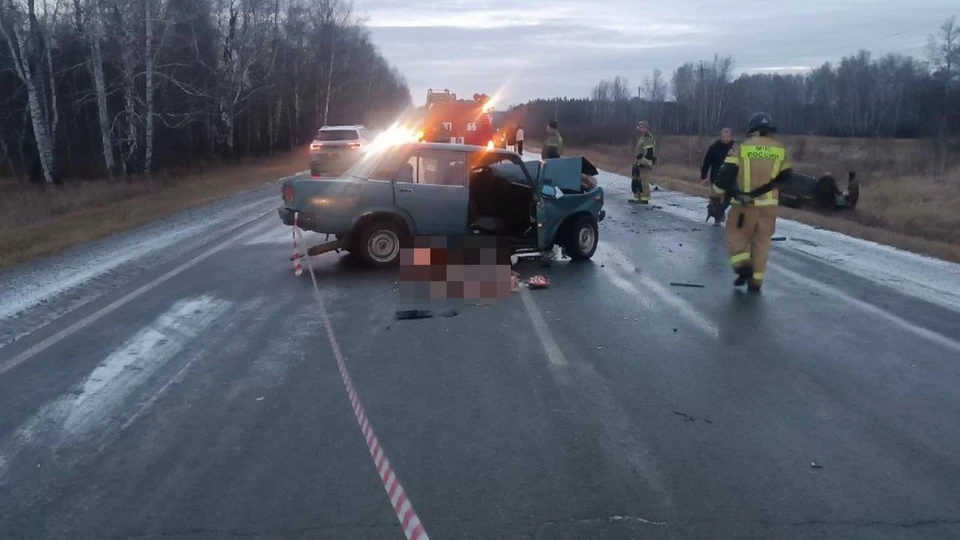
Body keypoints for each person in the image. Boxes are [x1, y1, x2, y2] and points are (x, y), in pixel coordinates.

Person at [714, 112, 793, 292]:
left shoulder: (742, 147)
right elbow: (787, 176)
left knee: (735, 239)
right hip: (769, 207)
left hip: (744, 206)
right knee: (762, 243)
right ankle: (756, 281)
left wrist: (715, 195)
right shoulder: (780, 149)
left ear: (752, 127)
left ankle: (744, 267)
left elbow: (725, 174)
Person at [701, 127, 736, 226]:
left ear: (730, 136)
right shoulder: (714, 147)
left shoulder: (735, 147)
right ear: (721, 136)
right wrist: (704, 176)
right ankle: (717, 219)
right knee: (715, 199)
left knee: (728, 199)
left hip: (731, 178)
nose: (725, 139)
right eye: (724, 137)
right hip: (716, 177)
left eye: (727, 137)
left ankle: (721, 213)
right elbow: (707, 162)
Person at [630, 121, 657, 204]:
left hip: (645, 162)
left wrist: (643, 162)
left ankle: (644, 198)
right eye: (639, 127)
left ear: (646, 128)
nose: (639, 129)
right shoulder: (641, 137)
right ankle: (637, 197)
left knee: (643, 180)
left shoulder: (648, 138)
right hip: (638, 161)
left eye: (641, 127)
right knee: (636, 179)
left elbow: (649, 152)